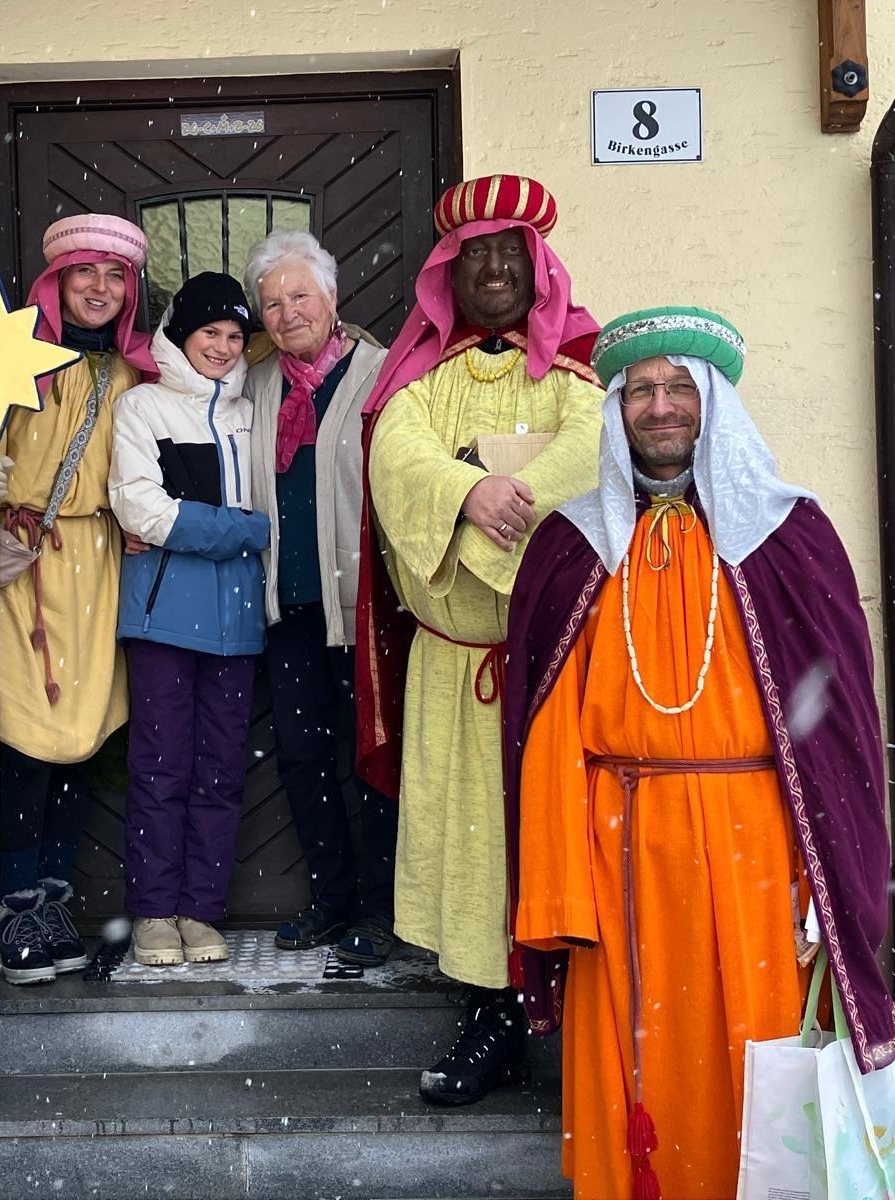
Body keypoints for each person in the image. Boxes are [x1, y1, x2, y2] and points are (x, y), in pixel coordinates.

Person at [504, 306, 895, 1197]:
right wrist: (559, 886)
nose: (661, 406)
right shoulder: (572, 546)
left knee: (759, 1057)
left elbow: (837, 736)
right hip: (619, 851)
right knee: (635, 1068)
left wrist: (824, 875)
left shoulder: (789, 538)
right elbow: (547, 733)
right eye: (641, 390)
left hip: (758, 851)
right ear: (617, 410)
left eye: (680, 387)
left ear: (713, 402)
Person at [357, 174, 604, 1104]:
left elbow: (589, 460)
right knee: (472, 845)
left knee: (558, 837)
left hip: (557, 668)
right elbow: (398, 464)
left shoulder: (582, 384)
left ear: (538, 271)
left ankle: (579, 1013)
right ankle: (489, 1011)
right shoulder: (418, 387)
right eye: (477, 258)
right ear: (448, 278)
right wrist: (469, 490)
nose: (495, 271)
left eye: (511, 255)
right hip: (458, 669)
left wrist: (504, 497)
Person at [0, 215, 157, 986]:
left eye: (114, 276)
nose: (100, 289)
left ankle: (55, 902)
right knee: (21, 741)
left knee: (81, 739)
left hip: (98, 566)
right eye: (84, 273)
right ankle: (16, 910)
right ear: (56, 281)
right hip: (20, 564)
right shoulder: (5, 365)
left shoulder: (137, 375)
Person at [240, 230, 399, 965]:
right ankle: (332, 901)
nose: (288, 313)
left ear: (332, 299)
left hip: (368, 606)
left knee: (375, 759)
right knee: (303, 759)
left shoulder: (382, 374)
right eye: (272, 303)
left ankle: (382, 910)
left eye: (300, 295)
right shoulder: (254, 385)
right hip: (289, 606)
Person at [109, 272, 268, 967]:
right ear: (181, 335)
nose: (223, 347)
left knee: (221, 772)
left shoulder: (253, 413)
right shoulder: (142, 407)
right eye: (210, 332)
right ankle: (152, 912)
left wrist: (195, 524)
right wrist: (243, 529)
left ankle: (200, 910)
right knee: (160, 767)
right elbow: (141, 508)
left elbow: (183, 517)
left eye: (235, 336)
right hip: (163, 619)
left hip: (240, 623)